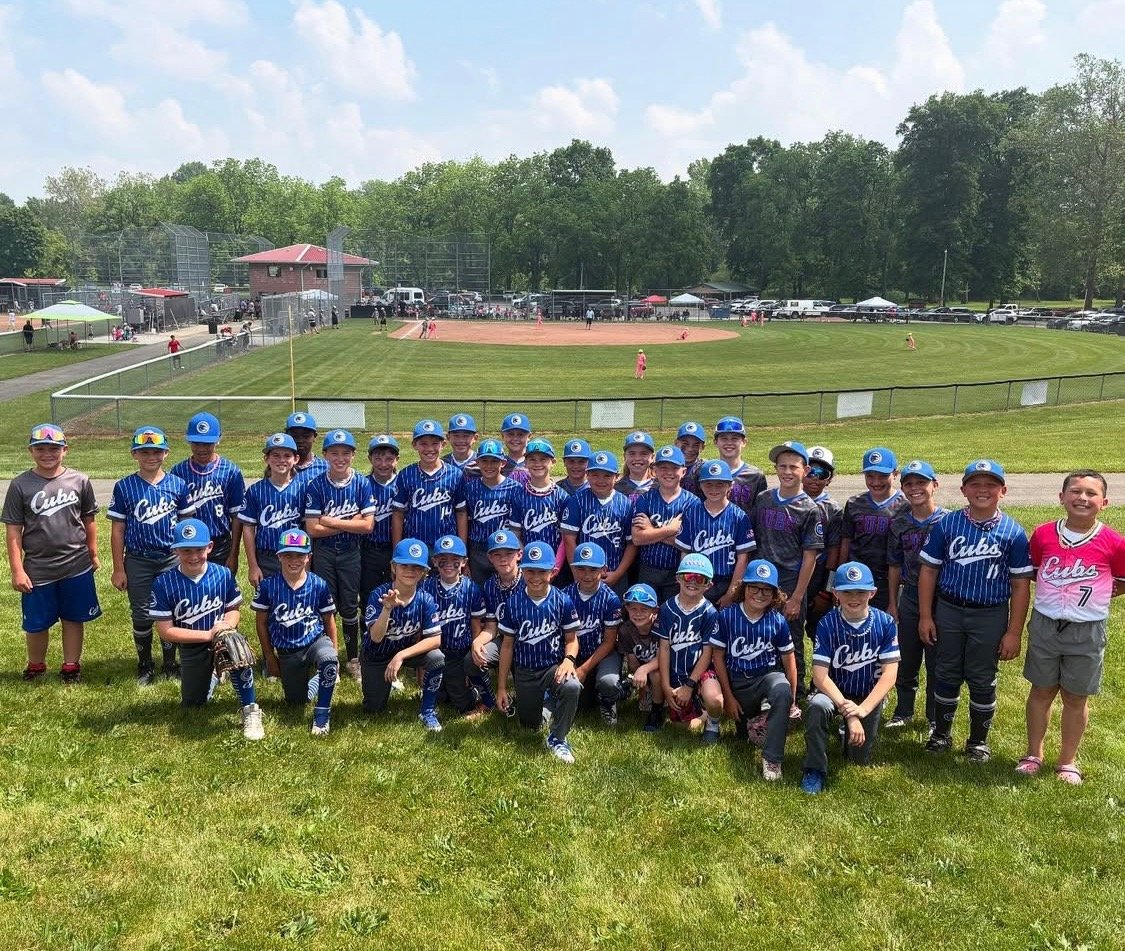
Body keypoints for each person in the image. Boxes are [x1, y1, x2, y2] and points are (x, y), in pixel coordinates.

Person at [918, 460, 1033, 763]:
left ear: (1003, 491)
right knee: (945, 672)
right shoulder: (948, 524)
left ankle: (977, 741)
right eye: (976, 484)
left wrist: (1013, 632)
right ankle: (941, 734)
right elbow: (928, 571)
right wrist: (926, 616)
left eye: (991, 484)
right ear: (964, 489)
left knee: (982, 678)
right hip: (950, 609)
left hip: (990, 613)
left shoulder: (1013, 532)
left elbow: (1021, 585)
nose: (983, 490)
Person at [1017, 471, 1125, 785]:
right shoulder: (1043, 534)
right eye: (1075, 491)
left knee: (1076, 697)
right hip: (1046, 624)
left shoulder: (1114, 542)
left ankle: (1067, 761)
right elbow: (1036, 570)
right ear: (1061, 497)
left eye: (1091, 494)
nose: (1082, 498)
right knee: (1041, 690)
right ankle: (1033, 753)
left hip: (1087, 628)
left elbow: (1120, 579)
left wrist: (1100, 593)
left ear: (1104, 503)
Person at [3, 424, 100, 683]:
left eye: (54, 448)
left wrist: (93, 553)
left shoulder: (80, 480)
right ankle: (36, 664)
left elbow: (89, 520)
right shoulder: (21, 484)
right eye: (41, 448)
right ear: (31, 451)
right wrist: (17, 569)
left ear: (65, 450)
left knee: (73, 617)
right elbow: (13, 531)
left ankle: (71, 665)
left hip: (76, 564)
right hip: (38, 568)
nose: (48, 453)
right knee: (37, 622)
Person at [150, 519, 263, 739]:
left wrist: (226, 627)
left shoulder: (222, 574)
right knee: (193, 705)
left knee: (239, 653)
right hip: (192, 645)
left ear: (210, 547)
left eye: (199, 549)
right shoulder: (164, 583)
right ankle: (213, 676)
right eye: (186, 550)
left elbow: (234, 609)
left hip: (221, 639)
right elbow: (165, 630)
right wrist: (206, 635)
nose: (194, 556)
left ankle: (250, 710)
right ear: (175, 550)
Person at [800, 562, 900, 794]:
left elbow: (890, 675)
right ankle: (814, 769)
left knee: (858, 759)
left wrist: (862, 711)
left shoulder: (885, 623)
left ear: (872, 593)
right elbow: (820, 677)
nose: (853, 598)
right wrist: (849, 713)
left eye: (860, 592)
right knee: (816, 706)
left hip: (867, 696)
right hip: (834, 692)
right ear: (836, 593)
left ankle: (846, 733)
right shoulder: (827, 623)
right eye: (846, 591)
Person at [107, 426, 194, 684]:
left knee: (172, 610)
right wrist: (119, 568)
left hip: (170, 556)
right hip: (138, 558)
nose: (150, 456)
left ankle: (170, 663)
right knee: (142, 613)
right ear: (135, 454)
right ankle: (145, 664)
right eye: (144, 451)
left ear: (166, 453)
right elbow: (118, 530)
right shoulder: (125, 486)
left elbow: (187, 528)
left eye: (156, 451)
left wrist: (187, 559)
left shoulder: (177, 485)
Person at [496, 542, 583, 763]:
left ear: (553, 573)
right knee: (530, 726)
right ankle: (547, 704)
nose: (535, 577)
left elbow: (572, 640)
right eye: (530, 570)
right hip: (525, 671)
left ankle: (557, 738)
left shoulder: (562, 600)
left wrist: (569, 660)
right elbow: (506, 646)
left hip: (551, 668)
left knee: (572, 686)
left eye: (542, 571)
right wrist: (502, 687)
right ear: (522, 570)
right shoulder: (513, 603)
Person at [711, 560, 798, 781]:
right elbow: (718, 658)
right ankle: (755, 722)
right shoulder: (727, 616)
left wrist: (792, 700)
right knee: (744, 736)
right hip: (738, 683)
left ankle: (772, 758)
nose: (760, 594)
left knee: (781, 689)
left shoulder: (777, 620)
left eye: (767, 590)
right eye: (754, 588)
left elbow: (789, 661)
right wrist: (728, 698)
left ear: (775, 593)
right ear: (744, 588)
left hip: (766, 678)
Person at [752, 441, 824, 700]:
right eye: (782, 466)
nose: (787, 471)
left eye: (793, 467)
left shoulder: (809, 508)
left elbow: (810, 556)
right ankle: (765, 688)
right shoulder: (763, 500)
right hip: (761, 579)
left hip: (791, 581)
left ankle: (796, 694)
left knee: (790, 640)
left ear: (805, 470)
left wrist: (797, 597)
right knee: (760, 634)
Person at [303, 429, 376, 682]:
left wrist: (331, 521)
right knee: (325, 604)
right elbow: (312, 529)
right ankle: (327, 655)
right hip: (323, 553)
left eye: (346, 453)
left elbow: (368, 526)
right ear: (324, 455)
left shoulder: (362, 483)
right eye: (334, 453)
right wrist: (350, 521)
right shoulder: (316, 484)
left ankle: (353, 658)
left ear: (354, 455)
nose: (340, 458)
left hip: (350, 552)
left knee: (349, 605)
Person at [252, 529, 339, 736]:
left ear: (308, 557)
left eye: (300, 555)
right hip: (287, 650)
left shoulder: (318, 584)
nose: (294, 560)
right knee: (296, 701)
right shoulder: (268, 586)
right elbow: (261, 623)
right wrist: (269, 657)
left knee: (328, 659)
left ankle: (322, 715)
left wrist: (334, 652)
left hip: (315, 642)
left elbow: (329, 620)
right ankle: (318, 679)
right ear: (279, 556)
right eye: (288, 555)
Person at [885, 460, 947, 731]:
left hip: (942, 597)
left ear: (934, 485)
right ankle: (904, 710)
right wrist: (892, 602)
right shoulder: (899, 522)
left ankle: (934, 716)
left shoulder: (948, 521)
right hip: (909, 593)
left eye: (921, 482)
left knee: (937, 659)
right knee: (907, 656)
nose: (915, 488)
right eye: (908, 484)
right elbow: (894, 565)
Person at [361, 538, 445, 730]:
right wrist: (387, 609)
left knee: (437, 658)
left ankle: (427, 711)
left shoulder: (425, 599)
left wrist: (401, 656)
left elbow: (435, 639)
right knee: (374, 709)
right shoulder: (378, 594)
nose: (410, 571)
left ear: (424, 572)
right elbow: (375, 637)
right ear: (393, 567)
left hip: (404, 652)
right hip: (376, 654)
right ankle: (383, 687)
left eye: (416, 567)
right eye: (404, 565)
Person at [654, 553, 724, 742]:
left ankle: (713, 722)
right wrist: (667, 687)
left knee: (715, 699)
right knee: (682, 726)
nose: (692, 582)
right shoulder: (667, 608)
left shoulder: (710, 612)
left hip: (700, 673)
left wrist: (690, 685)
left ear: (708, 584)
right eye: (687, 576)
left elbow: (707, 653)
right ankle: (700, 714)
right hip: (676, 671)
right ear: (678, 578)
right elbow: (665, 648)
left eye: (699, 578)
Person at [423, 535, 495, 720]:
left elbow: (475, 625)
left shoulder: (471, 589)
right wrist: (420, 665)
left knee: (462, 702)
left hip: (458, 652)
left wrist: (470, 657)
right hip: (436, 651)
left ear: (464, 562)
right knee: (437, 696)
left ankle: (475, 693)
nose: (449, 564)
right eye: (443, 560)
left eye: (455, 560)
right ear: (434, 561)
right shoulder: (427, 587)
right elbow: (421, 626)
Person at [171, 413, 246, 571]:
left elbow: (236, 517)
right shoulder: (178, 472)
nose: (201, 448)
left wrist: (234, 555)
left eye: (207, 443)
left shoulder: (231, 471)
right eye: (196, 443)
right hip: (188, 543)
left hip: (220, 545)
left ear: (218, 439)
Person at [675, 459, 755, 608]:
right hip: (697, 581)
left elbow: (743, 559)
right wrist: (686, 584)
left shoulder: (739, 516)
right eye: (708, 484)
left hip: (727, 581)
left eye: (720, 484)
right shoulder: (692, 513)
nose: (714, 489)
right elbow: (684, 554)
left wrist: (731, 593)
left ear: (730, 485)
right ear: (700, 485)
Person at [563, 543, 625, 726]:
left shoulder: (611, 599)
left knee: (609, 682)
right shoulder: (565, 595)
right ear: (574, 569)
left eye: (593, 569)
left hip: (602, 652)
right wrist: (570, 662)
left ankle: (609, 701)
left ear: (604, 570)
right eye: (581, 568)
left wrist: (583, 670)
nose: (587, 574)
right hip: (574, 653)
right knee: (581, 701)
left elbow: (609, 643)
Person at [631, 445, 701, 602]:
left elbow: (691, 545)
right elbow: (637, 539)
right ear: (654, 470)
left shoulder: (693, 502)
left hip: (678, 570)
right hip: (648, 569)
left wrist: (651, 530)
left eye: (674, 468)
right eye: (663, 467)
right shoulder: (645, 499)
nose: (668, 473)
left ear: (683, 471)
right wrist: (671, 529)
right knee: (645, 612)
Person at [840, 447, 907, 610]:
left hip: (888, 581)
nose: (876, 482)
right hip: (855, 578)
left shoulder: (906, 506)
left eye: (883, 476)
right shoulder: (855, 503)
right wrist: (838, 576)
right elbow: (846, 541)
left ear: (895, 474)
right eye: (870, 476)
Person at [561, 450, 636, 596]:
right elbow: (569, 539)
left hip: (614, 573)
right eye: (595, 474)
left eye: (607, 475)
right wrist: (577, 574)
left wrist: (619, 573)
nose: (600, 480)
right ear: (587, 475)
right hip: (585, 573)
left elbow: (631, 543)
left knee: (615, 614)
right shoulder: (578, 500)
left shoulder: (625, 504)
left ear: (617, 477)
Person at [239, 434, 305, 588]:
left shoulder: (303, 488)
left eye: (287, 455)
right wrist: (253, 566)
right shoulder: (256, 490)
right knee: (267, 603)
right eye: (275, 455)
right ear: (266, 459)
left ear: (296, 459)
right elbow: (248, 529)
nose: (281, 460)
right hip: (266, 556)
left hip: (296, 554)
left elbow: (307, 527)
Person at [391, 419, 463, 549]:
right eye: (423, 444)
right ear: (414, 445)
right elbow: (398, 514)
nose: (429, 449)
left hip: (446, 545)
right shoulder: (406, 474)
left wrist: (462, 549)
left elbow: (461, 513)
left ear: (443, 444)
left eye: (435, 443)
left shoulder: (455, 474)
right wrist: (397, 550)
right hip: (414, 544)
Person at [458, 439, 520, 584]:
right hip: (477, 549)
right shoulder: (470, 488)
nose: (489, 465)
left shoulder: (515, 488)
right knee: (480, 592)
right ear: (477, 462)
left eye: (494, 461)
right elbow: (464, 520)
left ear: (503, 463)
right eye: (484, 461)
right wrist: (464, 554)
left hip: (505, 549)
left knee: (508, 588)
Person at [360, 434, 400, 611]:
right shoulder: (362, 484)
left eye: (389, 459)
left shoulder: (402, 483)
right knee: (368, 594)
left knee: (396, 592)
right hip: (369, 549)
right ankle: (368, 632)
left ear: (397, 460)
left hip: (395, 548)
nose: (383, 464)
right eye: (378, 458)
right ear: (370, 459)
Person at [617, 584, 663, 730]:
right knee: (643, 706)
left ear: (654, 611)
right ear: (627, 609)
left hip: (665, 671)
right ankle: (647, 693)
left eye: (644, 609)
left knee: (656, 674)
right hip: (642, 672)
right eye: (633, 609)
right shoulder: (625, 630)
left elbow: (665, 657)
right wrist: (642, 682)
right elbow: (632, 662)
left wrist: (644, 670)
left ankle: (657, 712)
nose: (638, 614)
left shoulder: (661, 626)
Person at [617, 430, 655, 498]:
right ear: (624, 457)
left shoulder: (659, 487)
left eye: (643, 453)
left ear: (652, 457)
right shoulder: (616, 488)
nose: (637, 458)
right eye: (632, 453)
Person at [443, 413, 481, 479]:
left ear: (475, 438)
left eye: (466, 436)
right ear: (448, 437)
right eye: (456, 436)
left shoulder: (482, 462)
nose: (460, 440)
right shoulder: (443, 463)